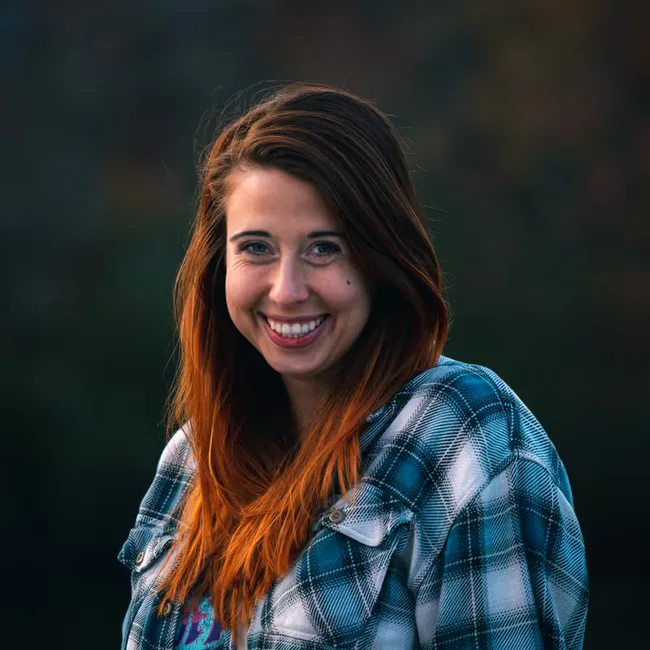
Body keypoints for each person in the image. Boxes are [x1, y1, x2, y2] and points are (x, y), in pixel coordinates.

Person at [118, 82, 588, 650]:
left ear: (379, 259)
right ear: (220, 264)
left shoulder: (463, 436)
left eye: (324, 248)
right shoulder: (192, 460)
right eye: (257, 248)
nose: (286, 290)